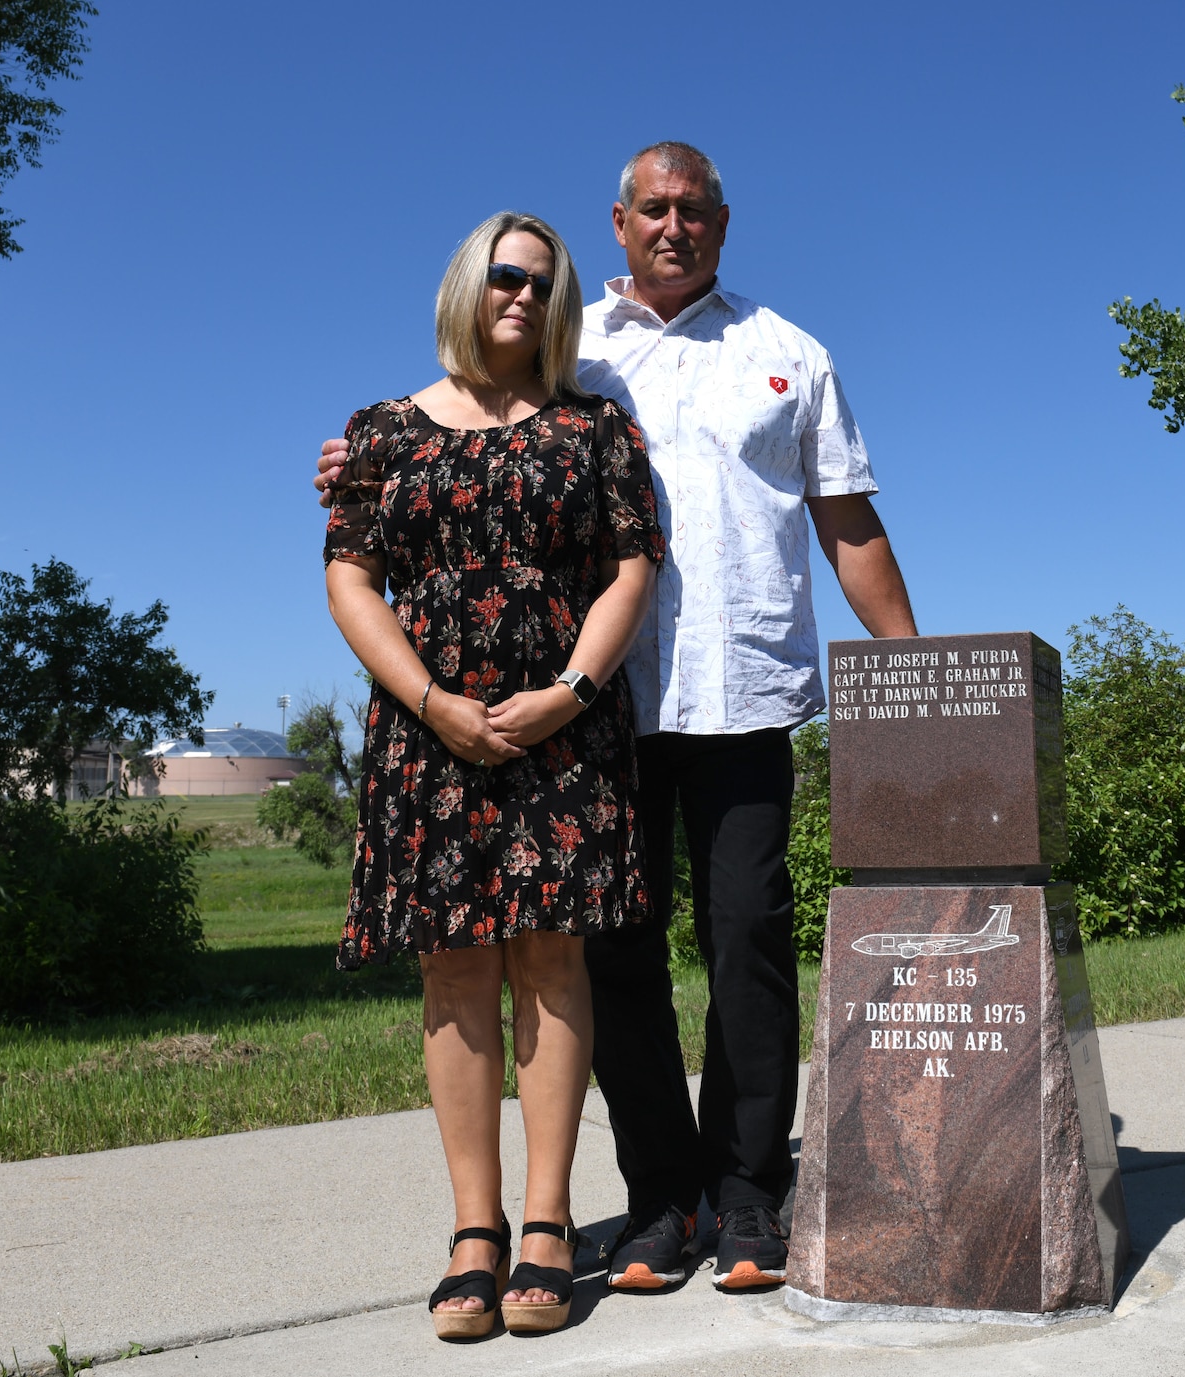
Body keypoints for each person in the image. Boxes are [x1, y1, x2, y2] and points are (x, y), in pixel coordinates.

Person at [318, 142, 917, 1296]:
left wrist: (906, 676)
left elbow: (847, 525)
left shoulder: (786, 354)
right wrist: (354, 467)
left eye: (694, 210)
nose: (674, 226)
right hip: (595, 715)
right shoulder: (569, 344)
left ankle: (746, 1193)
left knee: (745, 937)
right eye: (653, 209)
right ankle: (659, 1199)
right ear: (620, 221)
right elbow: (457, 433)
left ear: (724, 224)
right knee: (616, 959)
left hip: (741, 692)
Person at [321, 210, 663, 1339]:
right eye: (504, 276)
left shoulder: (595, 430)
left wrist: (569, 689)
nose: (521, 296)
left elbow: (630, 568)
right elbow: (351, 580)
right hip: (431, 731)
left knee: (554, 962)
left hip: (561, 728)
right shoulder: (378, 430)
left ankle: (550, 1224)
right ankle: (474, 1232)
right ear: (467, 284)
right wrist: (429, 702)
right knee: (455, 971)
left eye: (543, 286)